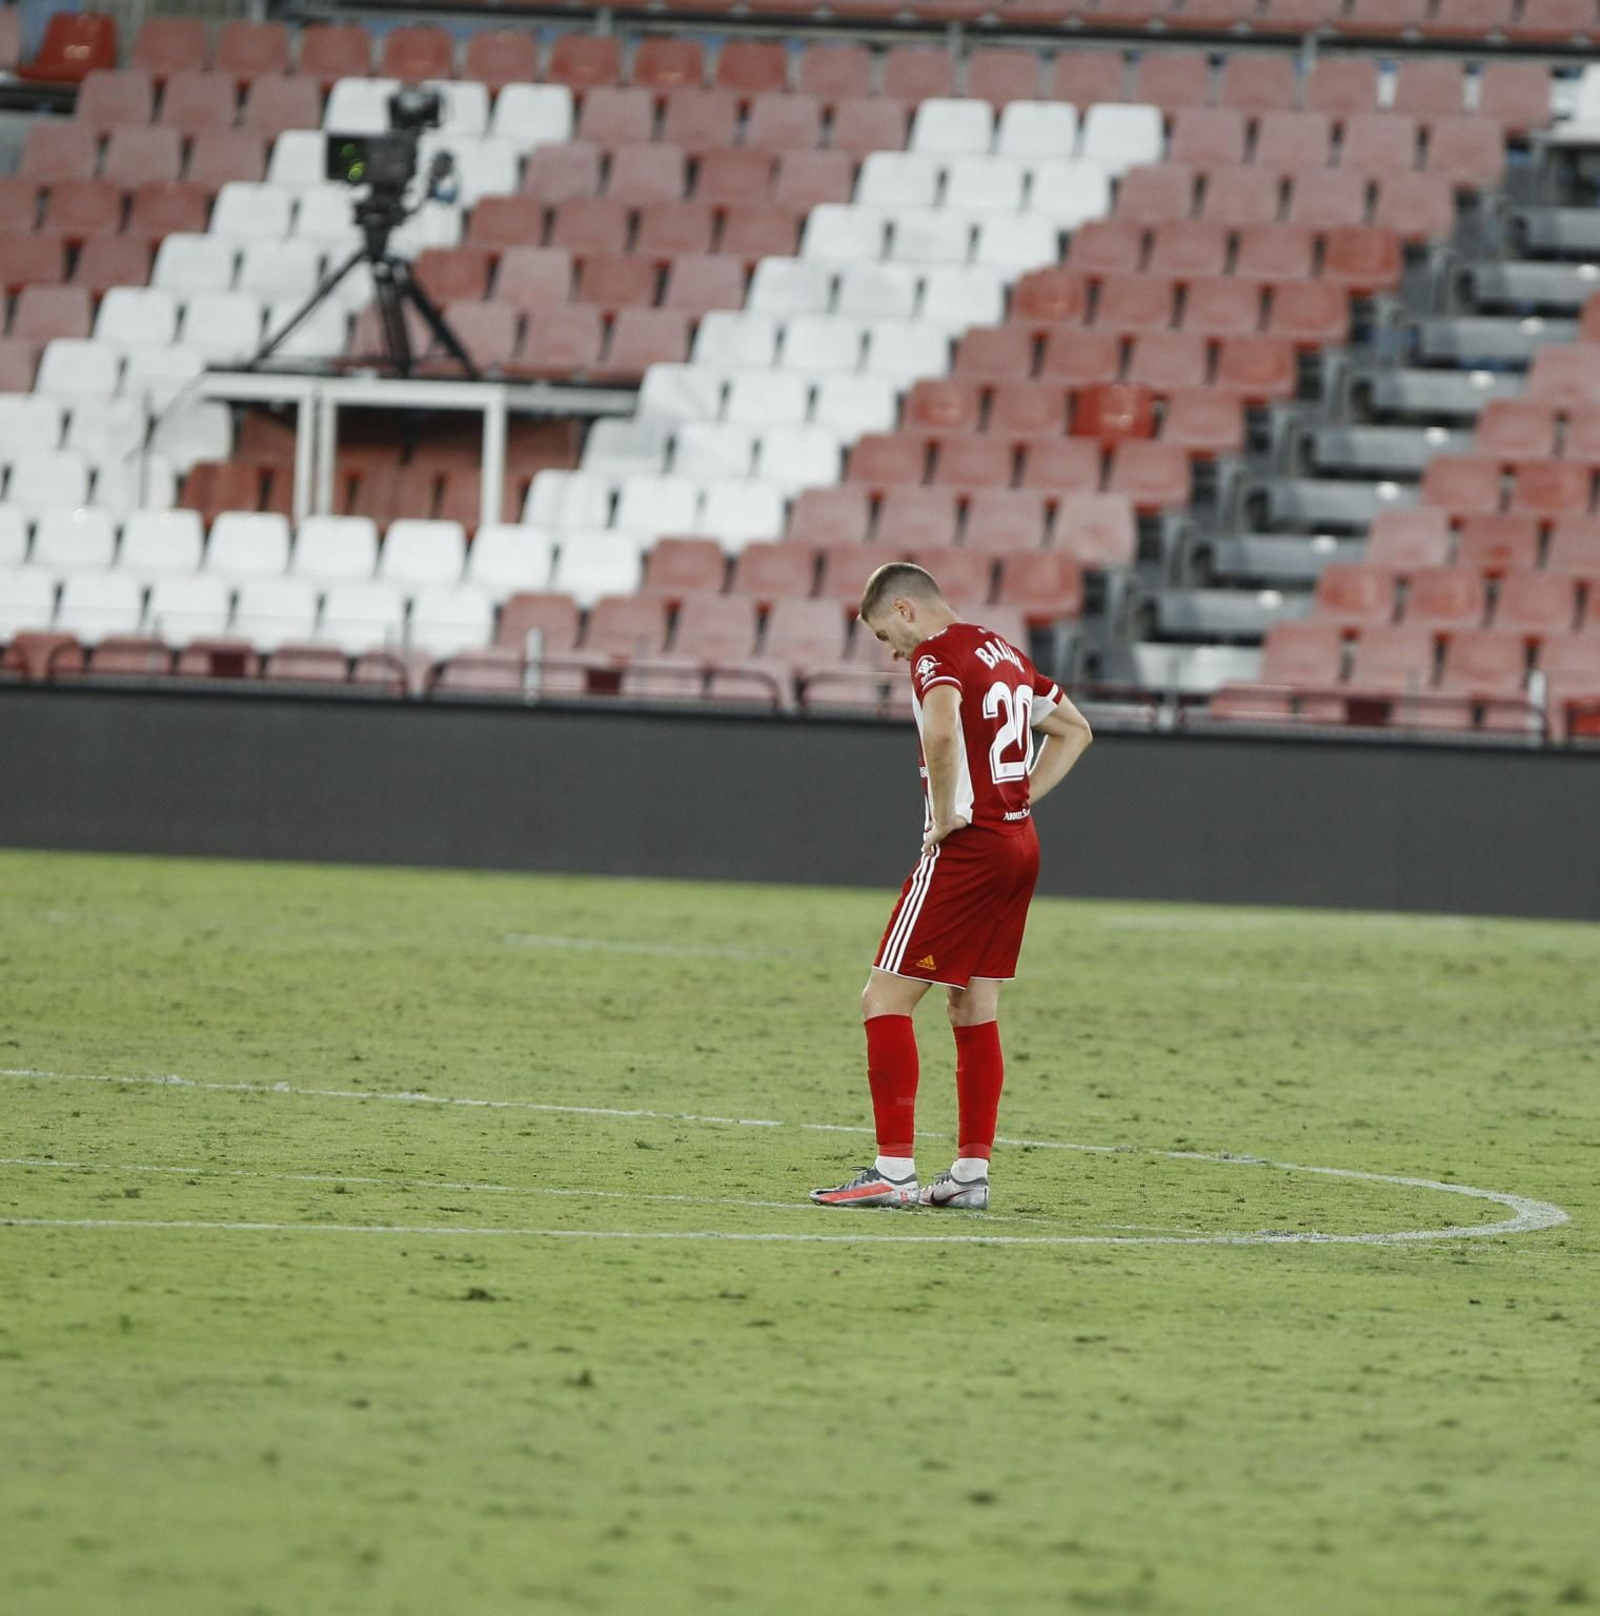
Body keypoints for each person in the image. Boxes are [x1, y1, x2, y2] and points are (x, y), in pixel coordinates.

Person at [810, 563, 1094, 1212]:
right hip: (1018, 844)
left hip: (967, 848)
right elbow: (1076, 730)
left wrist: (944, 813)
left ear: (906, 609)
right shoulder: (1007, 651)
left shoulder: (936, 656)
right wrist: (1018, 800)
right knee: (973, 1006)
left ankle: (893, 1172)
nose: (892, 651)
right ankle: (970, 1175)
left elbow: (940, 729)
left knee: (883, 995)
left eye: (887, 635)